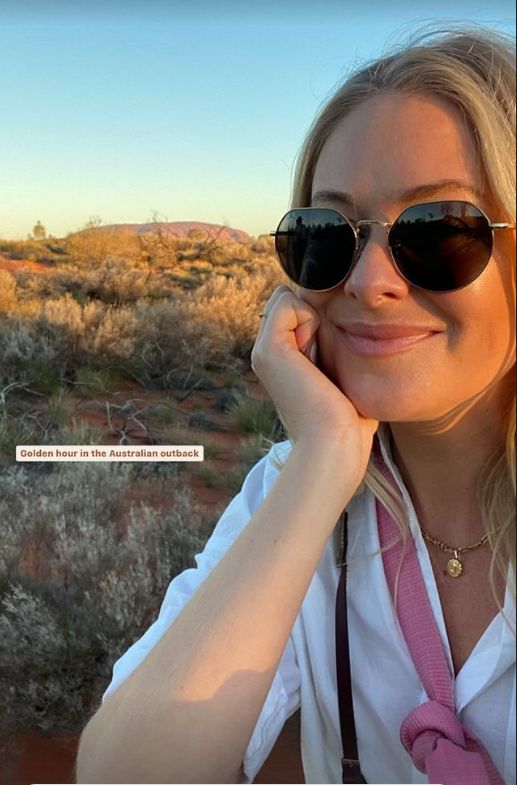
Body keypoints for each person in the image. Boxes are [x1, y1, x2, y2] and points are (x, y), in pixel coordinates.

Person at [76, 23, 516, 785]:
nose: (367, 281)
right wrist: (321, 464)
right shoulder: (295, 492)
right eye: (328, 233)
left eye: (437, 229)